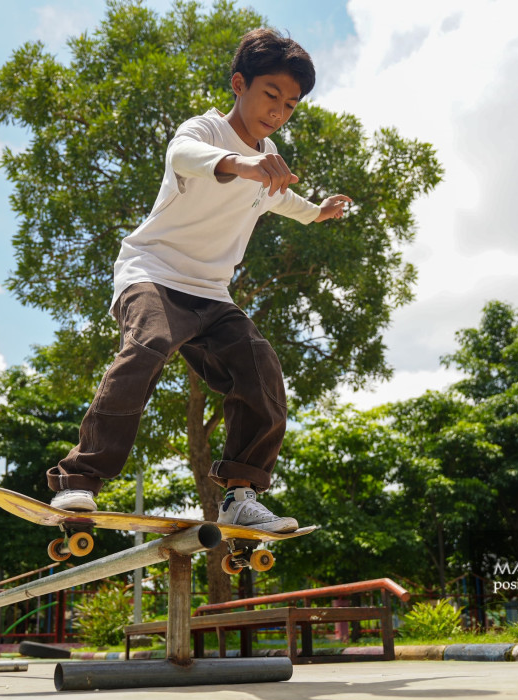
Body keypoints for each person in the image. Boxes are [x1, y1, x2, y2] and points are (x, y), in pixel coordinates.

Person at [45, 28, 351, 533]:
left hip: (210, 293)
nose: (278, 112)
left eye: (291, 105)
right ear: (239, 84)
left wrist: (319, 211)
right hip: (152, 273)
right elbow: (183, 157)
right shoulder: (205, 130)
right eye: (271, 95)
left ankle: (241, 495)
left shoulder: (269, 158)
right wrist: (242, 164)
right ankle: (80, 479)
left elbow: (284, 200)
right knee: (148, 345)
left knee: (260, 370)